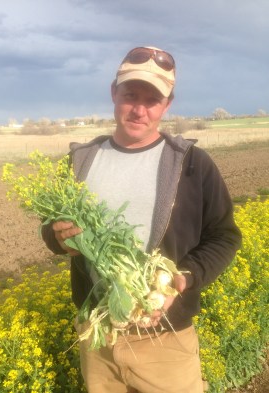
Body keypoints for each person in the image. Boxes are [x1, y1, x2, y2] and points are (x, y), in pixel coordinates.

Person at [42, 46, 242, 393]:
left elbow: (224, 236)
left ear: (167, 104)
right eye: (130, 95)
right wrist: (57, 237)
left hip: (166, 344)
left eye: (152, 100)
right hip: (98, 338)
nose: (138, 109)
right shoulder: (78, 162)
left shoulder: (192, 164)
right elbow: (52, 229)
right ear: (113, 94)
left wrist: (181, 280)